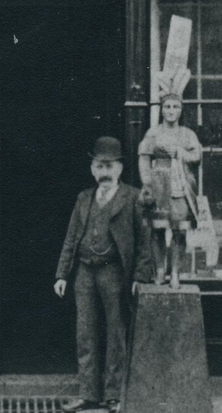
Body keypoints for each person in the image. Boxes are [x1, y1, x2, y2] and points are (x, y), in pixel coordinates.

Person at [54, 136, 153, 413]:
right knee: (84, 332)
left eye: (110, 166)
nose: (104, 172)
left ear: (120, 168)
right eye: (99, 166)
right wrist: (62, 274)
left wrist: (140, 277)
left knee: (115, 332)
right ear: (92, 169)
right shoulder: (83, 198)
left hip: (115, 274)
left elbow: (144, 241)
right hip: (84, 272)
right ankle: (88, 394)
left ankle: (112, 395)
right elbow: (71, 238)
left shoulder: (132, 198)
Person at [138, 93, 202, 288]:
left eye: (175, 107)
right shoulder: (153, 133)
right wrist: (147, 182)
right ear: (162, 109)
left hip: (180, 185)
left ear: (181, 110)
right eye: (167, 107)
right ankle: (159, 271)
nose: (171, 111)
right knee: (157, 230)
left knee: (180, 231)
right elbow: (144, 157)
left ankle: (175, 273)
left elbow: (197, 155)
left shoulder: (188, 134)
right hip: (159, 185)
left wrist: (180, 153)